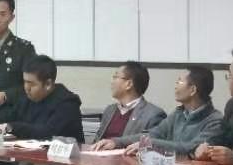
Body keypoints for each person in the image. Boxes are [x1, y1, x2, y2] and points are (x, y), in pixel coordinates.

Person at [95, 65, 224, 157]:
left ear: (193, 90)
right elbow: (153, 134)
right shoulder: (178, 114)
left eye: (179, 81)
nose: (175, 86)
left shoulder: (215, 120)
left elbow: (191, 147)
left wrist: (149, 144)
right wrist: (116, 142)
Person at [0, 55, 85, 141]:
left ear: (48, 84)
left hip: (66, 151)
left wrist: (11, 127)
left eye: (31, 84)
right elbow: (10, 117)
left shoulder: (68, 104)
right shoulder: (27, 97)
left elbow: (47, 133)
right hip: (28, 149)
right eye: (25, 82)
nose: (26, 88)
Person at [91, 61, 166, 145]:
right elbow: (96, 141)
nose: (112, 82)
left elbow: (152, 143)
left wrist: (116, 143)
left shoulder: (153, 115)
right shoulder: (109, 110)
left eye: (115, 77)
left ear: (129, 84)